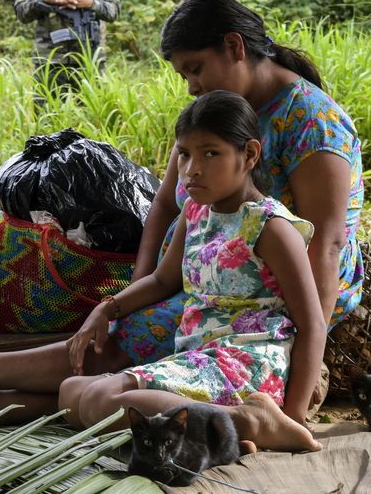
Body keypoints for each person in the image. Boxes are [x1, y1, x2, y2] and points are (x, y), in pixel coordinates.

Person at [0, 0, 363, 436]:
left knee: (128, 343)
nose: (192, 85)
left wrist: (305, 355)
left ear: (234, 47)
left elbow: (327, 245)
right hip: (208, 279)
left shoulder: (311, 122)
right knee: (124, 333)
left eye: (196, 69)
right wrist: (133, 294)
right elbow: (163, 205)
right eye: (184, 75)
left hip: (270, 298)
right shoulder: (212, 118)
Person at [57, 90, 326, 435]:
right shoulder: (196, 212)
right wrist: (106, 309)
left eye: (210, 153)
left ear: (249, 154)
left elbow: (313, 324)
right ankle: (234, 429)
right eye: (184, 155)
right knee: (71, 393)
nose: (192, 170)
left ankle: (261, 422)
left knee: (101, 401)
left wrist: (294, 416)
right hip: (198, 358)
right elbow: (161, 281)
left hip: (248, 364)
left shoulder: (271, 228)